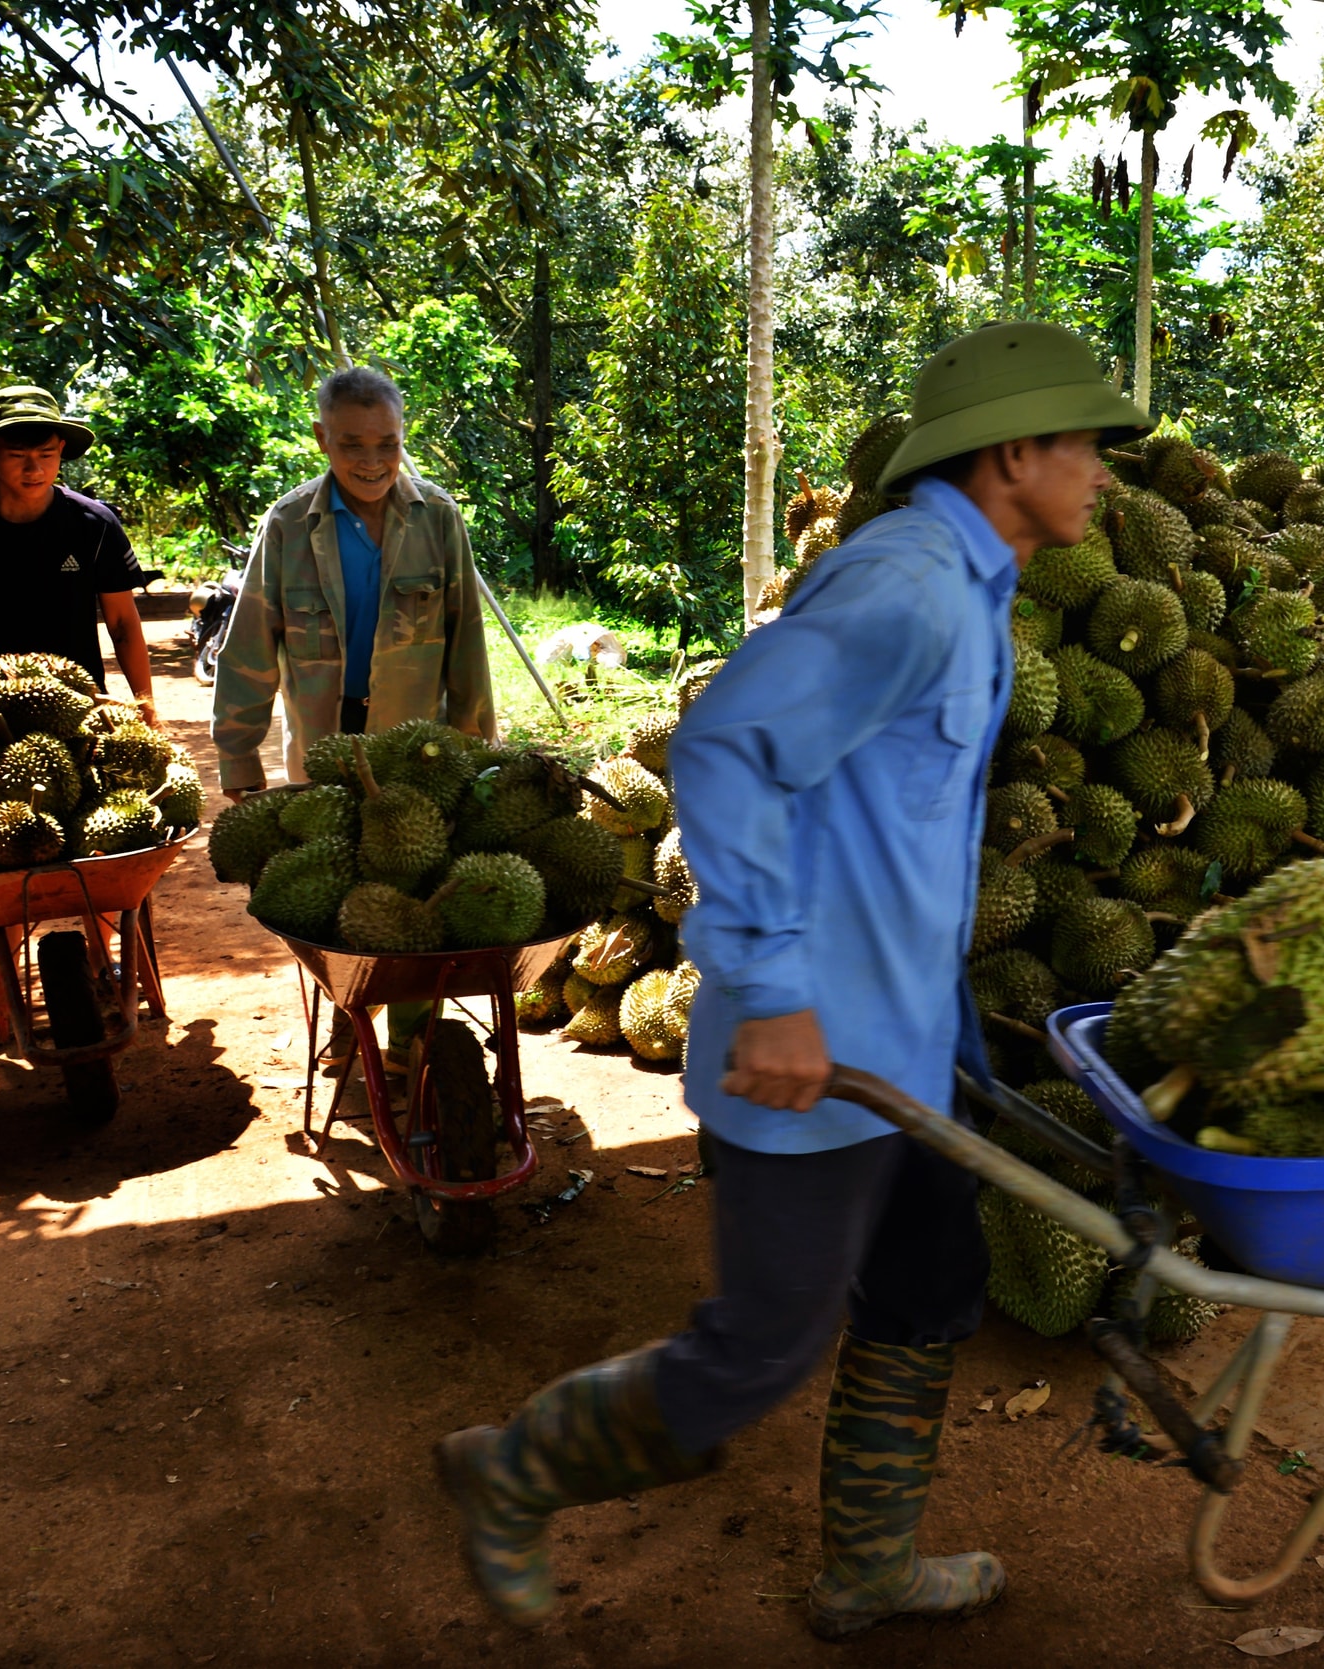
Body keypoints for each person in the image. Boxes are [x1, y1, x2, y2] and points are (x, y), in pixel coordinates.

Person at [434, 322, 1142, 1640]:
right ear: (1011, 454)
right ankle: (513, 1470)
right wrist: (767, 989)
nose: (1101, 471)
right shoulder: (905, 586)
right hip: (810, 1048)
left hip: (907, 1034)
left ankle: (868, 1567)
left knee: (927, 1288)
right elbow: (722, 747)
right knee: (762, 1342)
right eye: (1084, 444)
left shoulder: (973, 586)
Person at [209, 365, 495, 801]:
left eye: (388, 445)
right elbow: (250, 647)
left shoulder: (437, 517)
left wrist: (476, 752)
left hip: (417, 752)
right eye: (352, 445)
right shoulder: (288, 523)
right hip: (319, 751)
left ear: (402, 436)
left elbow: (467, 646)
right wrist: (238, 758)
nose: (372, 462)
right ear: (322, 438)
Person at [0, 385, 158, 726]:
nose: (34, 469)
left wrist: (147, 710)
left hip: (81, 706)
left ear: (62, 450)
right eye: (17, 455)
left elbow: (123, 623)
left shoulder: (94, 524)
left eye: (46, 454)